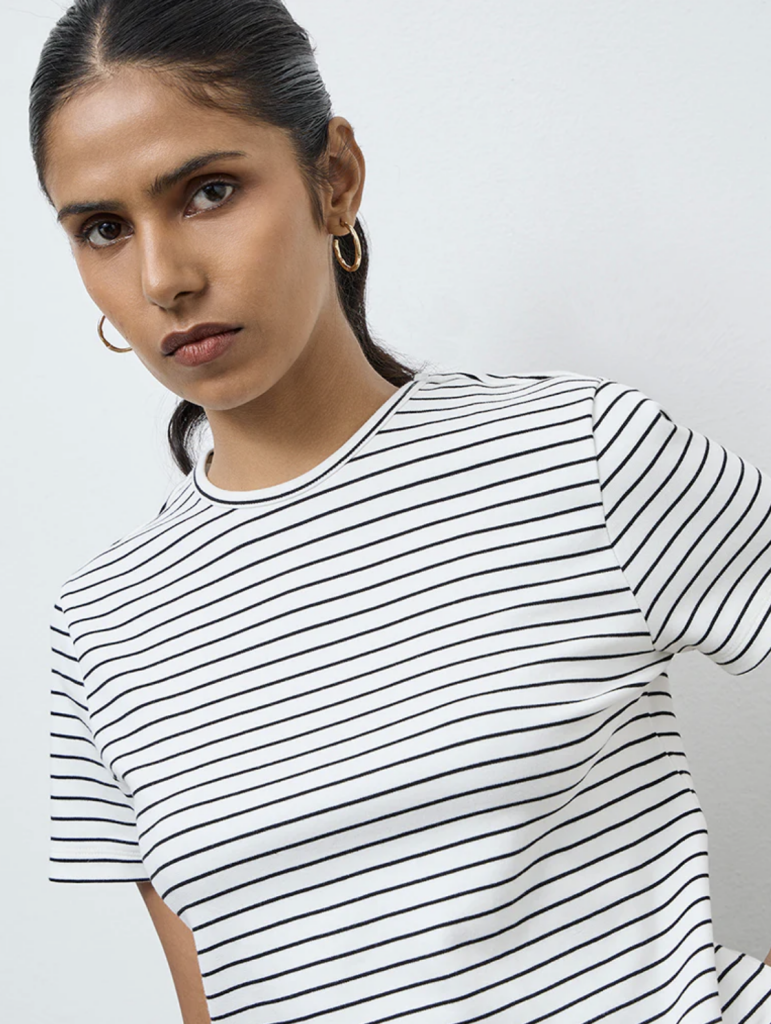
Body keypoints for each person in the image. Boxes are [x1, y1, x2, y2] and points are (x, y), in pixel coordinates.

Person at [32, 2, 771, 1022]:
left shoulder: (580, 454)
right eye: (104, 230)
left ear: (333, 179)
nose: (163, 278)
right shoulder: (100, 627)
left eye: (208, 191)